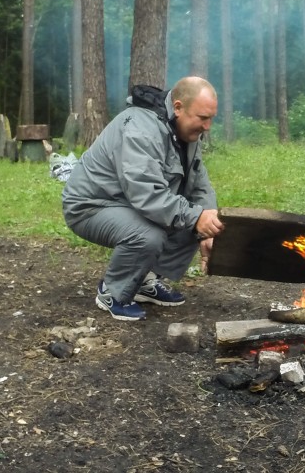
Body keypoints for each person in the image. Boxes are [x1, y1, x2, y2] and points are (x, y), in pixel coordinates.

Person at [62, 76, 225, 321]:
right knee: (150, 235)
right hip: (91, 206)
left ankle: (143, 281)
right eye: (203, 118)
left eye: (211, 118)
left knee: (198, 221)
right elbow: (147, 194)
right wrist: (196, 217)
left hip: (127, 203)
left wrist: (209, 224)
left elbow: (200, 186)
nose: (208, 126)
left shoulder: (183, 131)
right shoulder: (141, 130)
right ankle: (112, 292)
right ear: (178, 107)